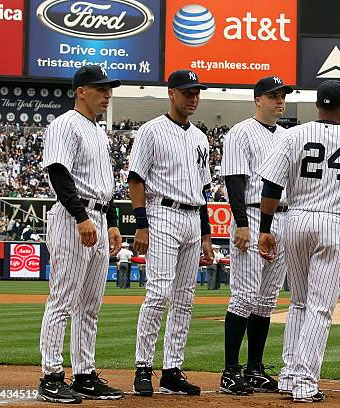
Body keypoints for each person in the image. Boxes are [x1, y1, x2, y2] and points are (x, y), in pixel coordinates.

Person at [257, 80, 340, 403]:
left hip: (295, 220)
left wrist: (265, 228)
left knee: (298, 302)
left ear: (317, 106)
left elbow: (271, 186)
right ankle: (305, 382)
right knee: (320, 308)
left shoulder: (292, 134)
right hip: (333, 223)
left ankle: (289, 375)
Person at [37, 65, 124, 403]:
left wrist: (113, 221)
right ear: (81, 91)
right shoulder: (64, 124)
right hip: (76, 219)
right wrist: (80, 216)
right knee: (63, 299)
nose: (107, 94)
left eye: (109, 89)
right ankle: (51, 375)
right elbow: (58, 172)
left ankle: (84, 375)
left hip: (99, 217)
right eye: (100, 88)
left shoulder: (98, 131)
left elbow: (105, 185)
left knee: (89, 306)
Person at [129, 69, 214, 397]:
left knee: (185, 299)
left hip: (193, 218)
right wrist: (141, 223)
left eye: (196, 92)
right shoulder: (151, 130)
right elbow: (135, 179)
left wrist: (207, 234)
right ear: (171, 93)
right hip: (162, 213)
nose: (193, 97)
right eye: (187, 92)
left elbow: (203, 190)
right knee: (158, 293)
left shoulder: (200, 137)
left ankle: (172, 370)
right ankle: (143, 366)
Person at [219, 76, 293, 395]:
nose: (279, 101)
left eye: (282, 96)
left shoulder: (289, 136)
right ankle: (230, 371)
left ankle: (254, 369)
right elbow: (235, 181)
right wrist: (242, 224)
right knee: (245, 296)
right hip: (250, 213)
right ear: (257, 99)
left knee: (266, 301)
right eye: (273, 96)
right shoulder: (241, 132)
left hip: (284, 218)